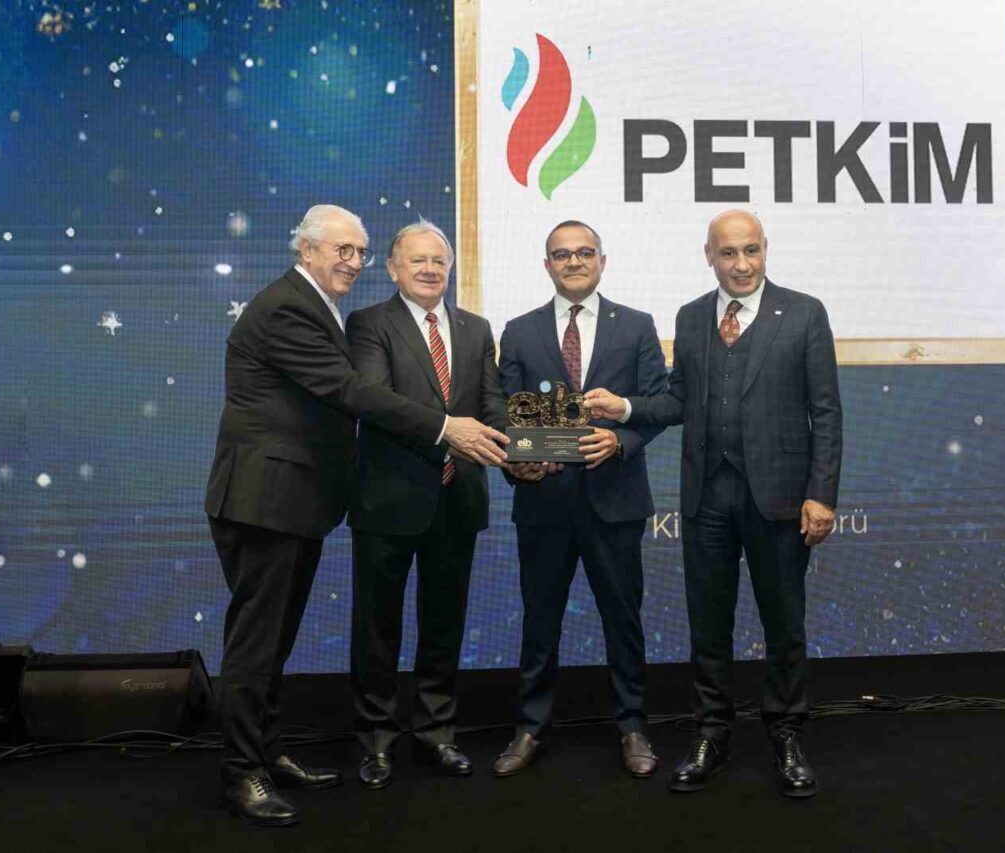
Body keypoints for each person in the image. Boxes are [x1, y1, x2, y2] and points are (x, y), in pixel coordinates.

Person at [206, 205, 508, 826]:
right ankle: (241, 773)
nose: (351, 261)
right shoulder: (290, 307)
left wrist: (524, 449)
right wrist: (446, 427)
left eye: (357, 251)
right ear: (307, 249)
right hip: (265, 499)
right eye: (341, 249)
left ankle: (265, 753)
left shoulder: (318, 306)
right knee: (256, 644)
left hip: (294, 500)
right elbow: (352, 392)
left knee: (274, 642)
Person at [584, 209, 842, 798]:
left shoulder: (805, 313)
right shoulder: (692, 316)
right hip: (707, 498)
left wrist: (821, 494)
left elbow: (826, 412)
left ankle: (787, 734)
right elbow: (677, 399)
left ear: (765, 250)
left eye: (751, 250)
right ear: (709, 256)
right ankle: (711, 734)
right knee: (708, 624)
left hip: (780, 499)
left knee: (784, 623)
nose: (742, 264)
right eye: (729, 253)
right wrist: (625, 407)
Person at [493, 221, 668, 778]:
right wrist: (518, 461)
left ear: (602, 261)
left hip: (615, 500)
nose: (573, 261)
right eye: (562, 254)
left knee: (624, 620)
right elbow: (503, 409)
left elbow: (659, 404)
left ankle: (633, 725)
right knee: (539, 621)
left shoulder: (636, 326)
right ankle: (530, 726)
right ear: (547, 264)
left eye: (584, 252)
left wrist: (622, 440)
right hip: (542, 502)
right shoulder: (519, 331)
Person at [345, 220, 508, 790]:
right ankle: (376, 740)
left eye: (439, 260)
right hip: (388, 502)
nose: (430, 269)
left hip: (456, 499)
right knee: (377, 627)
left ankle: (437, 734)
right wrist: (447, 430)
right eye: (417, 260)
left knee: (444, 625)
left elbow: (491, 406)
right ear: (394, 269)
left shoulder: (475, 328)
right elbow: (374, 400)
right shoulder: (369, 324)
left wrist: (524, 451)